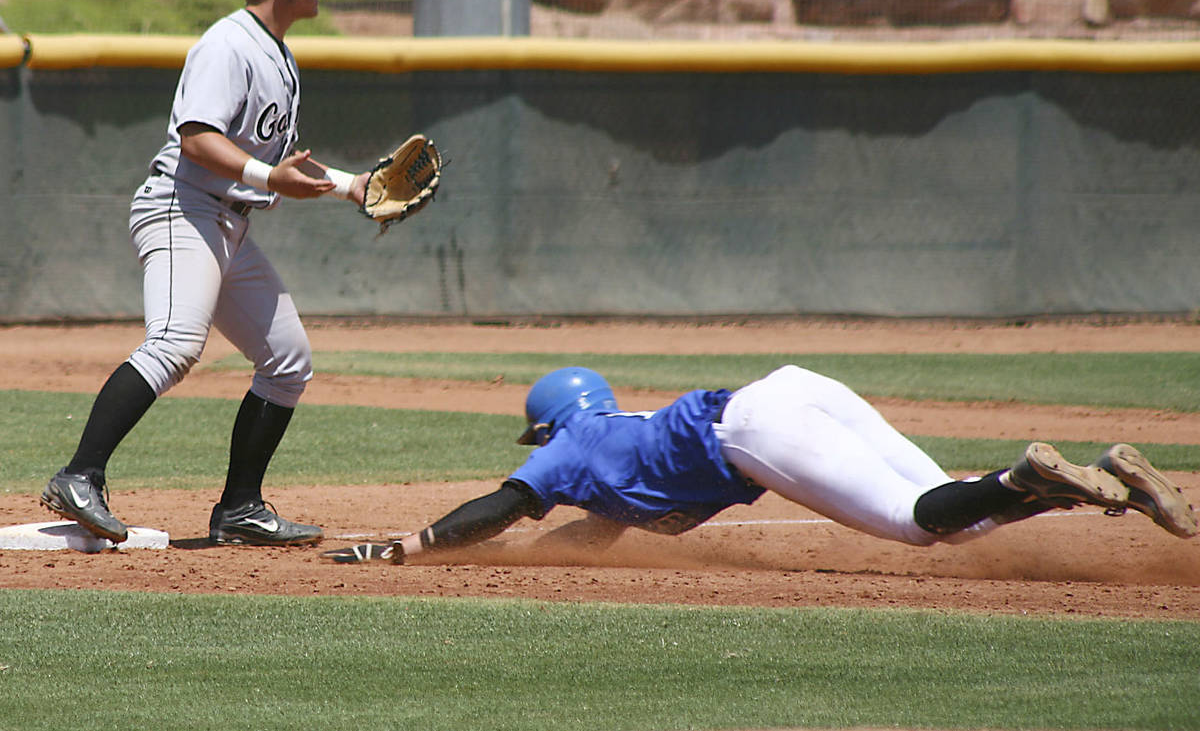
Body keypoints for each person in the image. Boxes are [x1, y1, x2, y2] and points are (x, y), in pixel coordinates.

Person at [41, 0, 370, 547]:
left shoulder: (277, 51)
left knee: (288, 359)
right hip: (182, 207)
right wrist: (267, 175)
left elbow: (279, 164)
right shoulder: (229, 45)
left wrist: (354, 186)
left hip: (228, 224)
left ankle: (239, 508)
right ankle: (79, 475)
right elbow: (198, 138)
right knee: (174, 343)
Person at [322, 364, 1199, 564]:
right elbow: (593, 535)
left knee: (913, 524)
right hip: (796, 385)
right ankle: (1100, 476)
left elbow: (498, 504)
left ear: (547, 427)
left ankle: (1023, 478)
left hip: (752, 432)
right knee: (945, 505)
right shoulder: (613, 446)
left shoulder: (568, 450)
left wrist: (411, 545)